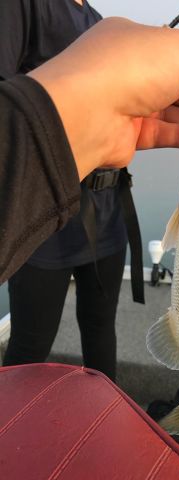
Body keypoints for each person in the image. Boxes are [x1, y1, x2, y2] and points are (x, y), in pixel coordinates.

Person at [0, 18, 179, 283]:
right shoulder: (23, 7)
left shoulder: (96, 18)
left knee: (101, 323)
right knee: (35, 326)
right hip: (44, 224)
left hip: (109, 211)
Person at [0, 1, 136, 381]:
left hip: (108, 214)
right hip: (42, 221)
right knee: (31, 344)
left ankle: (107, 426)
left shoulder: (100, 23)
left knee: (101, 330)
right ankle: (12, 437)